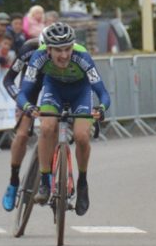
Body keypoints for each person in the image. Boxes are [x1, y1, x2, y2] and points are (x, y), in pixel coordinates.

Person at [16, 21, 110, 215]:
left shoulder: (82, 55)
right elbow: (23, 92)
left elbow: (103, 93)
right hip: (54, 90)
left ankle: (82, 182)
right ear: (48, 49)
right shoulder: (38, 57)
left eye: (67, 49)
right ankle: (44, 181)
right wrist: (28, 107)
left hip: (80, 93)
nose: (64, 55)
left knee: (82, 136)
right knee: (47, 127)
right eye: (58, 50)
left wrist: (101, 108)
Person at [0, 31, 45, 211]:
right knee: (23, 134)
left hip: (54, 86)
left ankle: (47, 179)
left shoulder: (69, 53)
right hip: (31, 86)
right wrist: (23, 102)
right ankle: (13, 181)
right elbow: (8, 79)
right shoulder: (28, 49)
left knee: (52, 127)